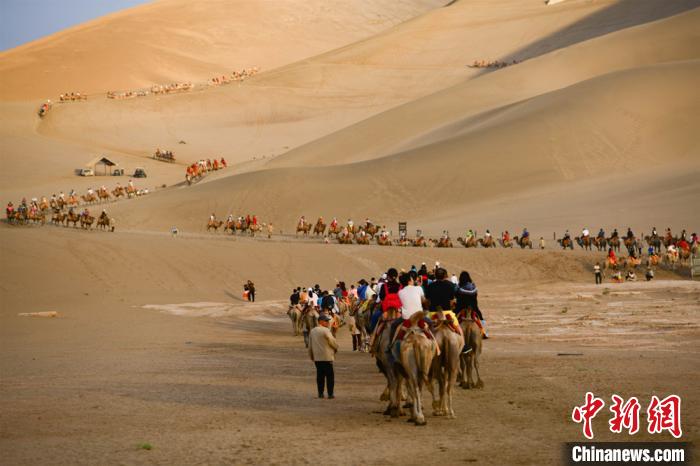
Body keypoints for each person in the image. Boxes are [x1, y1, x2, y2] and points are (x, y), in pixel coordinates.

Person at [308, 314, 338, 399]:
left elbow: (310, 345)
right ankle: (330, 394)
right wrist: (336, 347)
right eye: (326, 321)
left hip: (317, 357)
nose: (328, 322)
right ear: (321, 321)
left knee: (320, 376)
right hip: (327, 357)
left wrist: (311, 356)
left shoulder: (312, 331)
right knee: (330, 376)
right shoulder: (326, 331)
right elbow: (332, 341)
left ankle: (320, 393)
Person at [455, 271, 487, 340]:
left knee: (454, 316)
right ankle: (484, 331)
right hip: (473, 306)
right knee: (480, 316)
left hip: (461, 307)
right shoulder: (473, 286)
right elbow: (475, 296)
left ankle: (455, 331)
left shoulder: (459, 287)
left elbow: (456, 296)